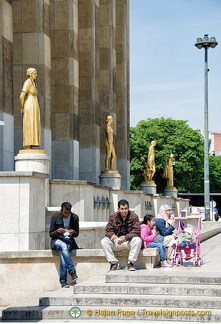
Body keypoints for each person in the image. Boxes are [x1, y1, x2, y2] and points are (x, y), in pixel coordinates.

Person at [101, 199, 142, 271]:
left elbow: (136, 231)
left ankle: (131, 263)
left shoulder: (134, 216)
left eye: (126, 209)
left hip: (128, 241)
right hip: (117, 241)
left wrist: (125, 238)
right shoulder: (113, 217)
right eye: (122, 209)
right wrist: (112, 236)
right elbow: (108, 230)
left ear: (128, 208)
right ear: (118, 209)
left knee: (138, 240)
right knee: (104, 241)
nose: (124, 211)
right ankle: (114, 262)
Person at [49, 202, 79, 288]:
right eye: (65, 212)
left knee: (63, 253)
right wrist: (57, 231)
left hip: (68, 240)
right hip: (57, 240)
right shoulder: (55, 217)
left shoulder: (75, 217)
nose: (67, 214)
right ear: (61, 210)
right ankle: (72, 271)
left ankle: (63, 280)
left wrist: (73, 232)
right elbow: (51, 234)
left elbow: (77, 234)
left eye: (68, 212)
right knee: (63, 246)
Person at [19, 68, 41, 149]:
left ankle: (32, 143)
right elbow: (21, 96)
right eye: (34, 73)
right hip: (29, 104)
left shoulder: (34, 83)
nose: (36, 75)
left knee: (34, 123)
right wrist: (22, 107)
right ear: (30, 74)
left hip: (34, 104)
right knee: (29, 123)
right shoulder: (27, 82)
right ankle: (28, 143)